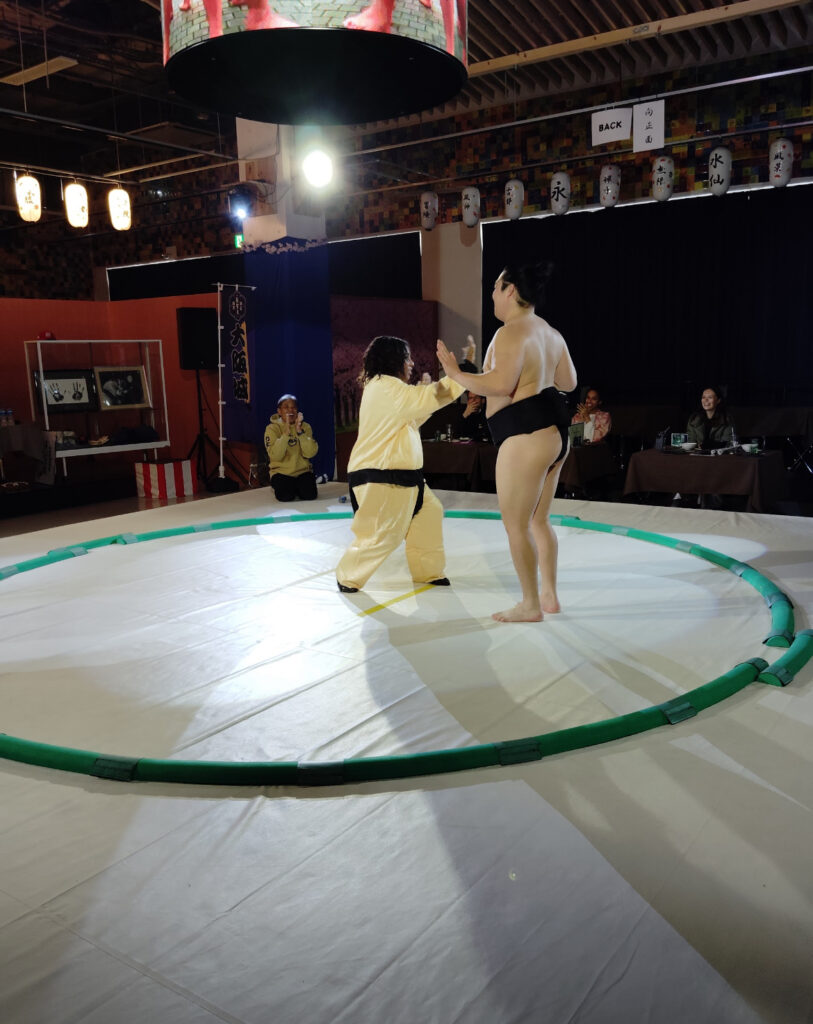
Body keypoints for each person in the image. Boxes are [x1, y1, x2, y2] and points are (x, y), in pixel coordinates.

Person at [437, 261, 577, 623]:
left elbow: (500, 384)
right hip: (554, 437)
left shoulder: (511, 331)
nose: (493, 295)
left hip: (524, 437)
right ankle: (548, 596)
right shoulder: (550, 332)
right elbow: (569, 383)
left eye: (496, 288)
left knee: (516, 525)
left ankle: (530, 605)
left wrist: (456, 374)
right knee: (538, 521)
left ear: (511, 290)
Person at [335, 335, 464, 593]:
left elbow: (414, 417)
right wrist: (460, 375)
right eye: (407, 358)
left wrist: (440, 384)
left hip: (404, 478)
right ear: (394, 361)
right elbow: (426, 399)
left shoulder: (389, 390)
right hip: (382, 477)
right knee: (385, 534)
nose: (412, 363)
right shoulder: (385, 387)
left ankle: (427, 570)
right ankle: (347, 575)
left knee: (429, 513)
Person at [264, 394, 319, 501]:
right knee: (285, 497)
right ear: (279, 411)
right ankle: (290, 487)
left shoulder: (305, 426)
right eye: (286, 407)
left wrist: (299, 432)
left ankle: (297, 487)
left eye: (293, 407)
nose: (290, 410)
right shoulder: (272, 429)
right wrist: (285, 435)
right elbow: (275, 456)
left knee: (310, 495)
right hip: (281, 472)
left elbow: (310, 453)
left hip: (302, 471)